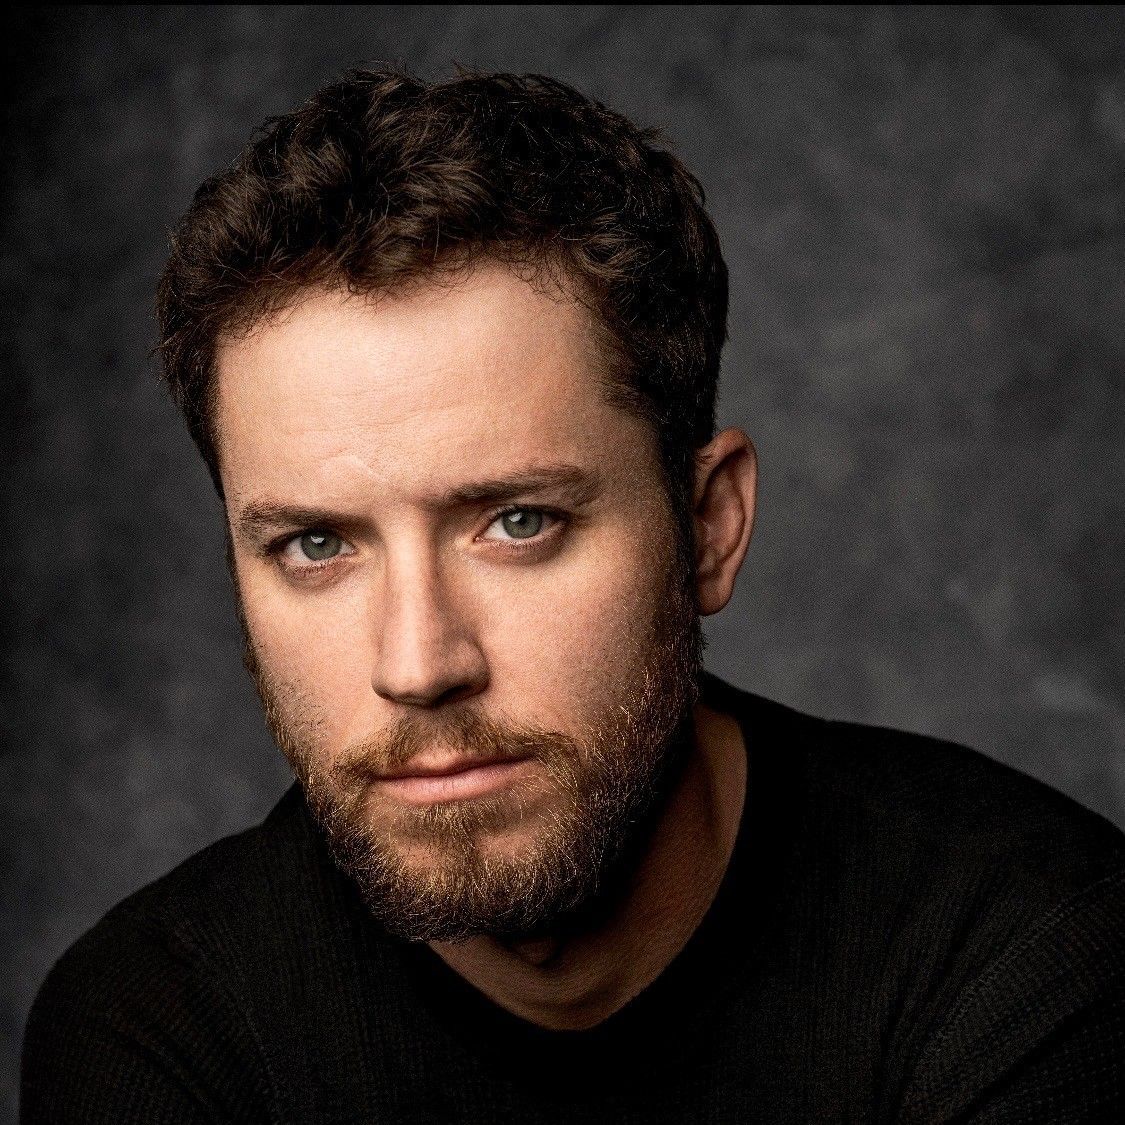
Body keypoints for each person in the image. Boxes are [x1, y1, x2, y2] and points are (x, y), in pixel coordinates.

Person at [21, 67, 1125, 1124]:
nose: (418, 664)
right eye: (317, 544)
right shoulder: (158, 1033)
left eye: (517, 522)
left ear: (708, 526)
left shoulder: (1029, 954)